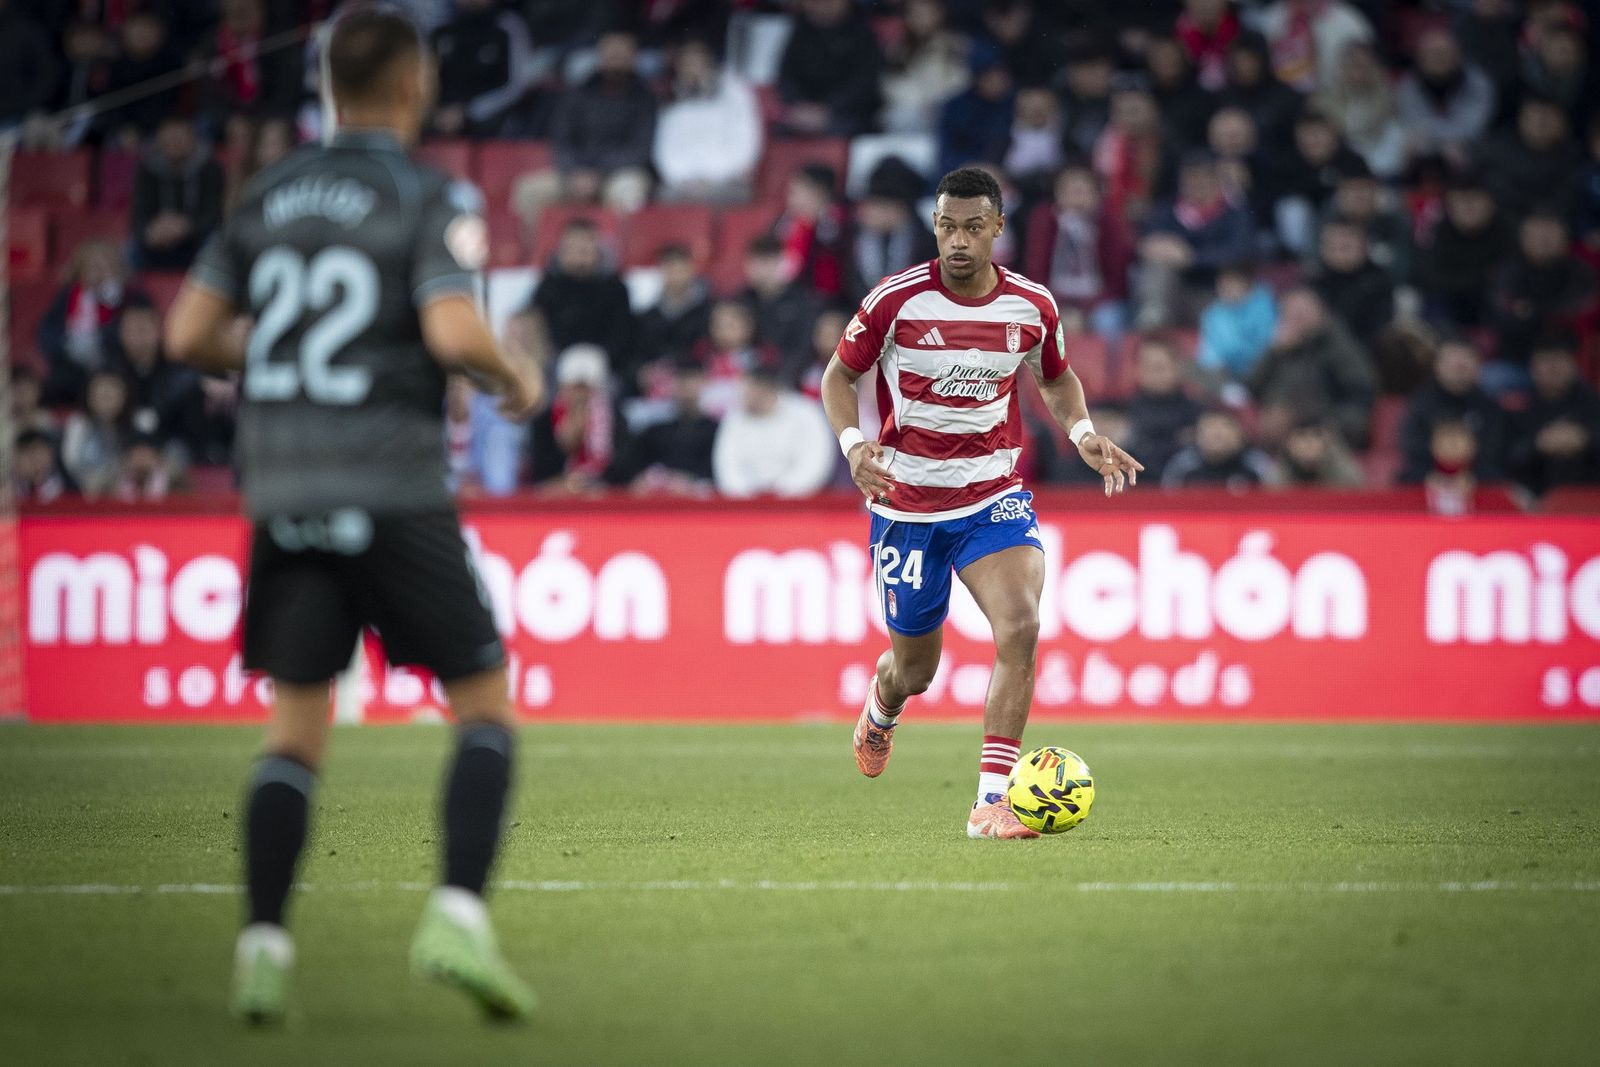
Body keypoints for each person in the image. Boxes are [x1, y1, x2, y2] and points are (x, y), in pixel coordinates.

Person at [164, 10, 542, 1025]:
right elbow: (451, 325)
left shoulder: (269, 192)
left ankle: (263, 948)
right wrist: (512, 375)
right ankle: (457, 914)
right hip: (390, 484)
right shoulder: (427, 193)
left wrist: (284, 368)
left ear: (328, 86)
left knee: (295, 724)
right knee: (484, 702)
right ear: (415, 84)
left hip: (283, 486)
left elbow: (190, 330)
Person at [819, 167, 1142, 840]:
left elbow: (1057, 378)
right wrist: (854, 446)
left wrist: (1081, 432)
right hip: (907, 507)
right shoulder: (896, 300)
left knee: (1020, 624)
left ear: (997, 227)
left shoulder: (1031, 305)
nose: (957, 241)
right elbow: (839, 376)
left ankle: (991, 801)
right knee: (916, 668)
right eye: (946, 226)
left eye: (972, 227)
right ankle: (882, 707)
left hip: (992, 496)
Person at [1249, 287, 1376, 447]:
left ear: (1320, 312)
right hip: (1280, 429)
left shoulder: (1338, 344)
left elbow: (1361, 391)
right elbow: (1250, 388)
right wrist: (1272, 352)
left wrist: (1300, 418)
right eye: (1290, 315)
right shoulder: (1281, 348)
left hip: (1331, 425)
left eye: (1302, 313)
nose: (1297, 320)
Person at [1023, 165, 1135, 344]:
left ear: (1097, 195)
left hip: (1100, 300)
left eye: (1082, 191)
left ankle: (1106, 371)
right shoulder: (1045, 220)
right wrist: (1062, 306)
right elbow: (1035, 272)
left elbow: (1118, 280)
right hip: (1054, 297)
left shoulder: (1110, 222)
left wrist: (1086, 308)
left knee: (1108, 322)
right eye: (1068, 191)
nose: (1075, 198)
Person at [545, 30, 656, 212]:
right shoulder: (578, 93)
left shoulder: (645, 98)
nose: (615, 58)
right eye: (611, 53)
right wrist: (575, 172)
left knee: (628, 190)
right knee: (530, 190)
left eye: (621, 54)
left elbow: (640, 150)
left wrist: (598, 174)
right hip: (575, 173)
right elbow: (560, 142)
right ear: (600, 55)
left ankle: (622, 242)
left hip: (621, 172)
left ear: (634, 58)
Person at [507, 218, 634, 373]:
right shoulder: (547, 287)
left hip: (604, 367)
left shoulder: (616, 289)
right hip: (554, 367)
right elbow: (537, 333)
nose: (579, 252)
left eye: (585, 246)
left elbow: (622, 338)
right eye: (573, 246)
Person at [652, 37, 763, 203]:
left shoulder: (734, 92)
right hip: (681, 184)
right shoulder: (670, 99)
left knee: (733, 198)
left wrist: (716, 176)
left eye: (697, 61)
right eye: (687, 63)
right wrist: (681, 177)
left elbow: (746, 136)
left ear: (709, 62)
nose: (693, 68)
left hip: (726, 179)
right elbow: (663, 148)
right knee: (661, 202)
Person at [37, 240, 147, 407]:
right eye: (92, 267)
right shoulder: (67, 297)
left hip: (117, 366)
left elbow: (138, 334)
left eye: (105, 266)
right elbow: (47, 331)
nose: (99, 273)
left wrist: (99, 339)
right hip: (72, 368)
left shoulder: (132, 298)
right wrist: (66, 344)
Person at [712, 362, 836, 498]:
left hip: (799, 502)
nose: (741, 394)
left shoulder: (807, 414)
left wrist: (782, 492)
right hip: (746, 506)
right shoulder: (734, 420)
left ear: (763, 388)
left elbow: (815, 461)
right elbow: (727, 465)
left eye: (746, 389)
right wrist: (747, 495)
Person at [1398, 337, 1506, 484]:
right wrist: (1429, 476)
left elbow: (1496, 451)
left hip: (1481, 480)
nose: (1459, 364)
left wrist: (1473, 477)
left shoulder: (1490, 407)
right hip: (1426, 478)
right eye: (1452, 358)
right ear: (1437, 365)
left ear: (1479, 365)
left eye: (1467, 358)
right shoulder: (1420, 404)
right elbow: (1412, 448)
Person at [1507, 332, 1600, 497]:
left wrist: (1586, 439)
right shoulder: (1518, 405)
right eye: (1545, 361)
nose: (1553, 368)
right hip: (1532, 498)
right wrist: (1538, 444)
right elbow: (1504, 457)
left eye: (1559, 359)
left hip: (1591, 495)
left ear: (1574, 363)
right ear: (1532, 367)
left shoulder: (1593, 403)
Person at [131, 114, 226, 270]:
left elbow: (214, 213)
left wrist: (186, 227)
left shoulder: (210, 168)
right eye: (168, 139)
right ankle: (132, 294)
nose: (174, 143)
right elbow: (139, 213)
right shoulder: (147, 169)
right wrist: (149, 230)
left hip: (197, 236)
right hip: (159, 235)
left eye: (179, 138)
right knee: (129, 250)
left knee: (216, 243)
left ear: (192, 139)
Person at [614, 352, 718, 495]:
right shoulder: (655, 430)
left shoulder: (717, 430)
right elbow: (632, 468)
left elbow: (720, 471)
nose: (686, 386)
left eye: (692, 378)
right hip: (659, 503)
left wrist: (690, 482)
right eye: (681, 379)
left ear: (704, 382)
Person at [429, 0, 537, 138]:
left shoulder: (508, 26)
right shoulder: (441, 28)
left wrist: (469, 111)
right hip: (439, 122)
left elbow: (516, 85)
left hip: (492, 126)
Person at [776, 0, 882, 136]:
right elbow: (786, 77)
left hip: (848, 112)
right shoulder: (800, 32)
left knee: (844, 128)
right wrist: (799, 104)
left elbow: (863, 83)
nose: (824, 5)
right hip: (803, 111)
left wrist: (828, 109)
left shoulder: (863, 34)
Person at [527, 344, 622, 492]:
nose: (579, 394)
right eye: (575, 387)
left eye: (584, 387)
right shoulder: (544, 422)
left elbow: (622, 470)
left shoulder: (615, 418)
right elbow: (540, 473)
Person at [1395, 27, 1496, 164]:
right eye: (1432, 53)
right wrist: (1441, 142)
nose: (1438, 58)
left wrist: (1443, 140)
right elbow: (1413, 120)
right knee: (1409, 145)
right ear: (1420, 57)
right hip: (1425, 142)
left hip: (1470, 145)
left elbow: (1473, 126)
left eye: (1443, 52)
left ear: (1458, 55)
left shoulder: (1478, 83)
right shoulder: (1409, 85)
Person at [1123, 335, 1203, 481]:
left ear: (1177, 368)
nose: (1153, 374)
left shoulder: (1198, 413)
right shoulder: (1121, 411)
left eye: (1159, 367)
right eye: (1147, 367)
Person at [60, 369, 136, 499]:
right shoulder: (78, 425)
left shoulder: (138, 423)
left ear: (124, 396)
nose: (106, 399)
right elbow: (71, 464)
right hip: (84, 492)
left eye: (111, 393)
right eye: (101, 394)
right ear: (89, 396)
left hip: (127, 495)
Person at [1197, 263, 1277, 383]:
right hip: (1224, 373)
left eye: (1232, 285)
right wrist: (1213, 363)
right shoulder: (1212, 314)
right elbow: (1208, 348)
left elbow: (1266, 342)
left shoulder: (1264, 307)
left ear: (1247, 285)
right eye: (1223, 286)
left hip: (1259, 370)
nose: (1226, 290)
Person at [1161, 407, 1276, 488]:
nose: (1216, 433)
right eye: (1210, 427)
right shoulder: (1183, 466)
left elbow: (1277, 498)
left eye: (1224, 427)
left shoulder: (1258, 465)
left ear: (1241, 433)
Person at [1275, 416, 1364, 486]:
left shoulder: (1344, 474)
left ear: (1327, 440)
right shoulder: (1277, 475)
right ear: (1288, 442)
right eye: (1302, 436)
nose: (1309, 444)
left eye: (1315, 435)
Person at [13, 429, 70, 504]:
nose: (34, 461)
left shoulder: (71, 487)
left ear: (51, 453)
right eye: (27, 454)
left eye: (38, 451)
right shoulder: (11, 495)